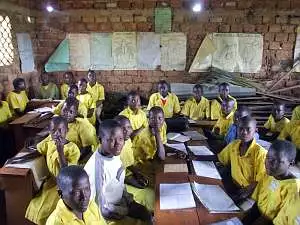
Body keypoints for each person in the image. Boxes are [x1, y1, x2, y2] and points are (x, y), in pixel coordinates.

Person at [84, 119, 152, 225]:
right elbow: (102, 209)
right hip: (108, 216)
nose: (118, 144)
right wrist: (126, 210)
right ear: (100, 140)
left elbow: (118, 180)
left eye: (120, 138)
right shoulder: (96, 169)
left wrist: (129, 200)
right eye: (111, 140)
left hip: (120, 203)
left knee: (147, 214)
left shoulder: (112, 154)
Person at [25, 116, 80, 225]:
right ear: (49, 131)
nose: (56, 134)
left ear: (67, 131)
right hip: (51, 182)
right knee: (35, 206)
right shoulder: (50, 141)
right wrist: (32, 141)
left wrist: (60, 151)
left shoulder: (73, 149)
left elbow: (66, 174)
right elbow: (39, 147)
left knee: (50, 211)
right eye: (53, 130)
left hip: (64, 186)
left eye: (60, 130)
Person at [243, 140, 299, 225]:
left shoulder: (293, 190)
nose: (268, 163)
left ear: (290, 164)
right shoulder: (268, 174)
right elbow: (258, 201)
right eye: (268, 157)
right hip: (257, 212)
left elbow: (281, 219)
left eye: (276, 160)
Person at [218, 116, 267, 203]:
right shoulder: (234, 145)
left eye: (248, 129)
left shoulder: (260, 153)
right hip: (235, 186)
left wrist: (246, 191)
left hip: (251, 193)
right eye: (240, 128)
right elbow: (220, 158)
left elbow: (261, 179)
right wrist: (196, 157)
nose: (244, 132)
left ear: (255, 130)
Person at [114, 115, 154, 212]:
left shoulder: (126, 141)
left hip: (129, 175)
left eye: (129, 127)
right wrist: (132, 180)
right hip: (118, 185)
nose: (127, 131)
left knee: (155, 183)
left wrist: (137, 174)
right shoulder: (113, 147)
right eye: (123, 128)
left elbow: (128, 163)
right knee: (152, 197)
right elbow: (115, 177)